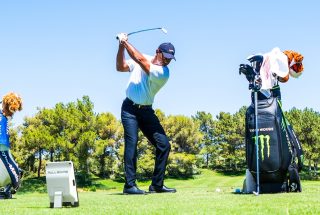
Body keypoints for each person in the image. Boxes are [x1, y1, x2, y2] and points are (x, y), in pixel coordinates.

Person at [116, 33, 176, 194]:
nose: (167, 60)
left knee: (164, 145)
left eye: (170, 58)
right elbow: (120, 67)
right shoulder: (143, 58)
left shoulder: (164, 73)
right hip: (129, 109)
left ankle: (157, 185)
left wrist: (125, 41)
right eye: (166, 56)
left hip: (147, 111)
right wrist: (121, 46)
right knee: (132, 144)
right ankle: (129, 186)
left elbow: (140, 60)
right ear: (158, 51)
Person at [0, 92, 23, 199]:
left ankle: (15, 180)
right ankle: (16, 178)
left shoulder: (4, 112)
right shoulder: (2, 108)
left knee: (7, 161)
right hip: (3, 141)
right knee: (8, 160)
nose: (11, 114)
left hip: (2, 142)